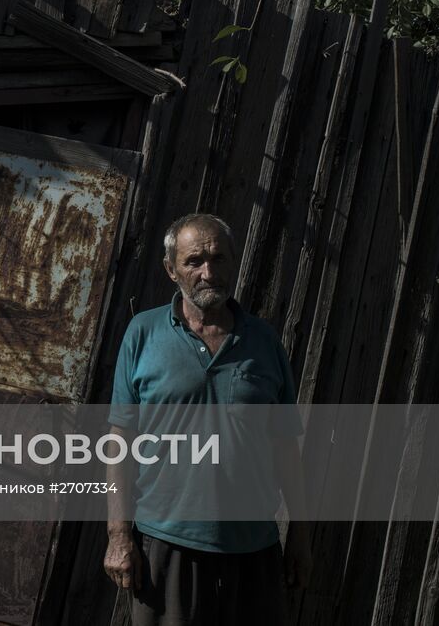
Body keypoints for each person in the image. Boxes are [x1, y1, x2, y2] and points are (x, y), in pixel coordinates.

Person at [103, 213, 312, 625]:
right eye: (194, 261)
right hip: (166, 546)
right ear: (171, 269)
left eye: (217, 259)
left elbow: (287, 448)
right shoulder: (143, 334)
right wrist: (118, 535)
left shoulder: (264, 343)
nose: (207, 272)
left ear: (233, 263)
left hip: (254, 550)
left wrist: (301, 537)